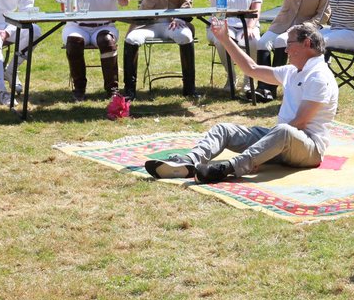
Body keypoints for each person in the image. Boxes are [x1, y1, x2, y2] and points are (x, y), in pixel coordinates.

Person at [144, 23, 338, 183]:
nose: (286, 49)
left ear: (306, 43)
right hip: (280, 140)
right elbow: (251, 68)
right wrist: (225, 39)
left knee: (284, 131)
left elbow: (301, 123)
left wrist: (263, 149)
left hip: (308, 149)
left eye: (290, 44)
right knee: (224, 129)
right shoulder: (293, 71)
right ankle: (188, 163)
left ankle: (225, 168)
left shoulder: (319, 77)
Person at [255, 0, 330, 101]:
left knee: (282, 41)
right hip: (282, 22)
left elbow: (323, 14)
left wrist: (305, 27)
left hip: (304, 28)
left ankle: (272, 89)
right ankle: (262, 87)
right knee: (261, 43)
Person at [55, 0, 130, 100]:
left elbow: (125, 2)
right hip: (78, 25)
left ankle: (112, 89)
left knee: (107, 42)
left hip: (104, 26)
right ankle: (79, 89)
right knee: (74, 42)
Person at [198, 0, 262, 96]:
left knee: (254, 41)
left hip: (247, 24)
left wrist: (251, 27)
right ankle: (231, 77)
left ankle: (249, 78)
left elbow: (256, 6)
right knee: (222, 40)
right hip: (221, 24)